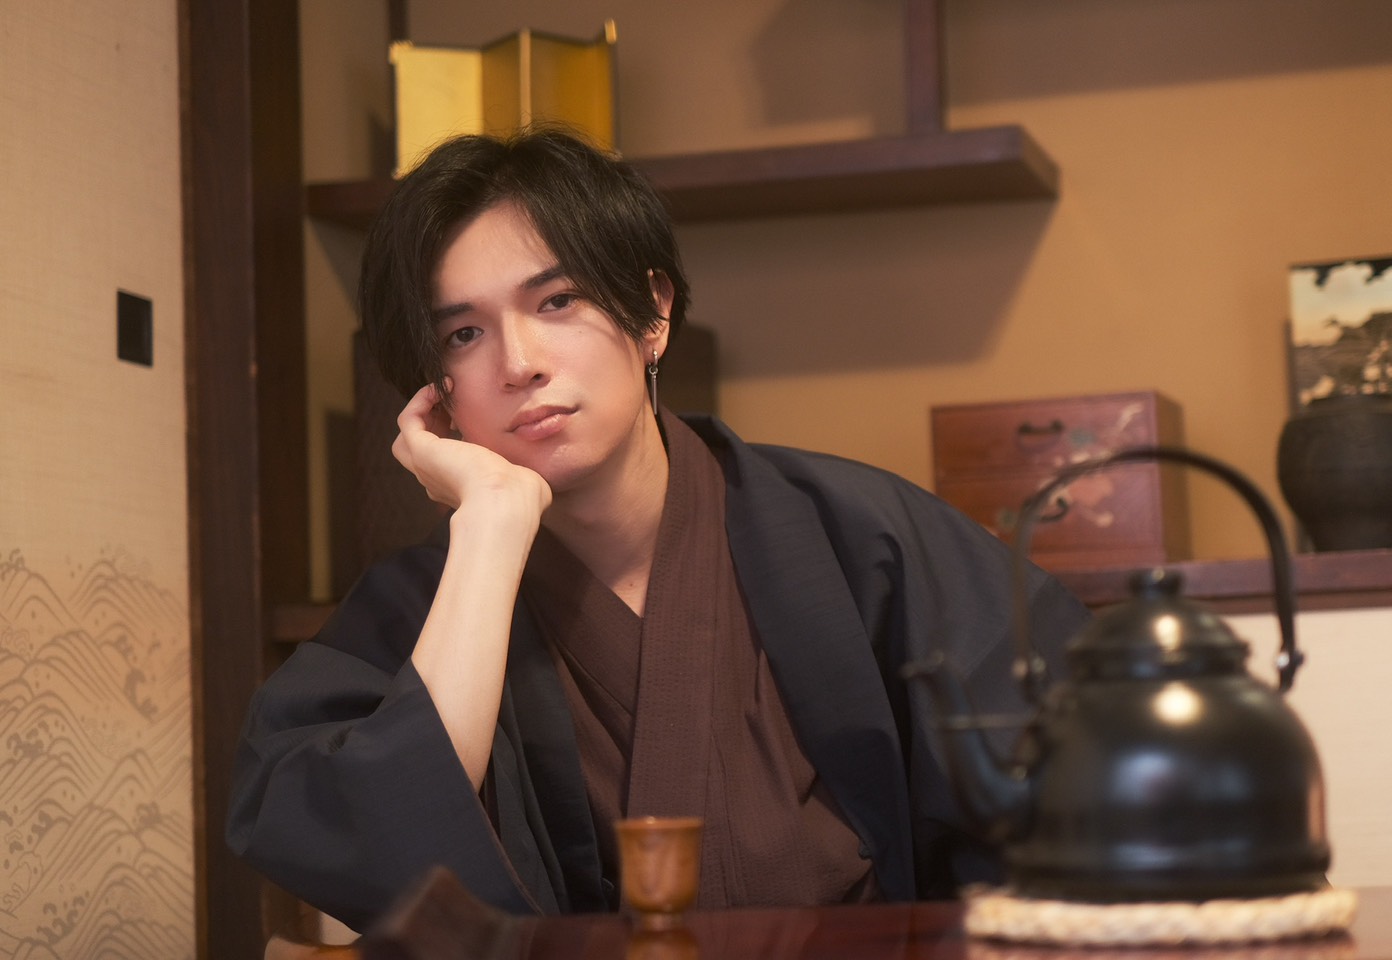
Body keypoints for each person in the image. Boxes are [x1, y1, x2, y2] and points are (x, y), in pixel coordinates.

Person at [226, 125, 1090, 933]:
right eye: (462, 333)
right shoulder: (425, 606)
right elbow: (369, 841)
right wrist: (490, 527)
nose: (518, 362)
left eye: (557, 300)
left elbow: (1074, 780)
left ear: (652, 314)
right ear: (434, 391)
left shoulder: (858, 535)